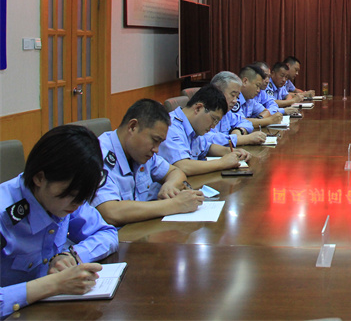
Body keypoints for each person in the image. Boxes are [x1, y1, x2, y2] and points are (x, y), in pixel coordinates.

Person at [1, 125, 119, 316]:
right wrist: (53, 284)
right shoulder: (4, 216)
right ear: (39, 178)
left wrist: (71, 256)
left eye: (83, 198)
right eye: (71, 195)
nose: (77, 204)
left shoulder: (66, 200)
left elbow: (107, 233)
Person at [91, 99, 204, 226]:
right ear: (133, 127)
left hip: (140, 230)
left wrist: (170, 185)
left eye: (160, 143)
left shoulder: (140, 153)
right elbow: (110, 212)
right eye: (155, 140)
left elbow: (175, 171)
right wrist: (175, 204)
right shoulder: (98, 155)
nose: (156, 150)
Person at [158, 83, 252, 176]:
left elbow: (207, 147)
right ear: (198, 108)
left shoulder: (193, 126)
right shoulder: (171, 126)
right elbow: (182, 166)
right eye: (214, 119)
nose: (213, 126)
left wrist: (231, 152)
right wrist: (222, 163)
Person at [203, 71, 266, 147]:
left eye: (237, 97)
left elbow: (245, 122)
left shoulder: (227, 112)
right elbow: (208, 139)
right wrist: (245, 139)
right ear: (217, 91)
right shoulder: (205, 111)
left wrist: (238, 130)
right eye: (232, 95)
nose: (235, 101)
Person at [239, 64, 283, 130]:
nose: (258, 90)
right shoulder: (233, 98)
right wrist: (269, 120)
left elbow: (266, 111)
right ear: (245, 81)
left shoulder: (250, 100)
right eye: (257, 86)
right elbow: (240, 122)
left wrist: (259, 120)